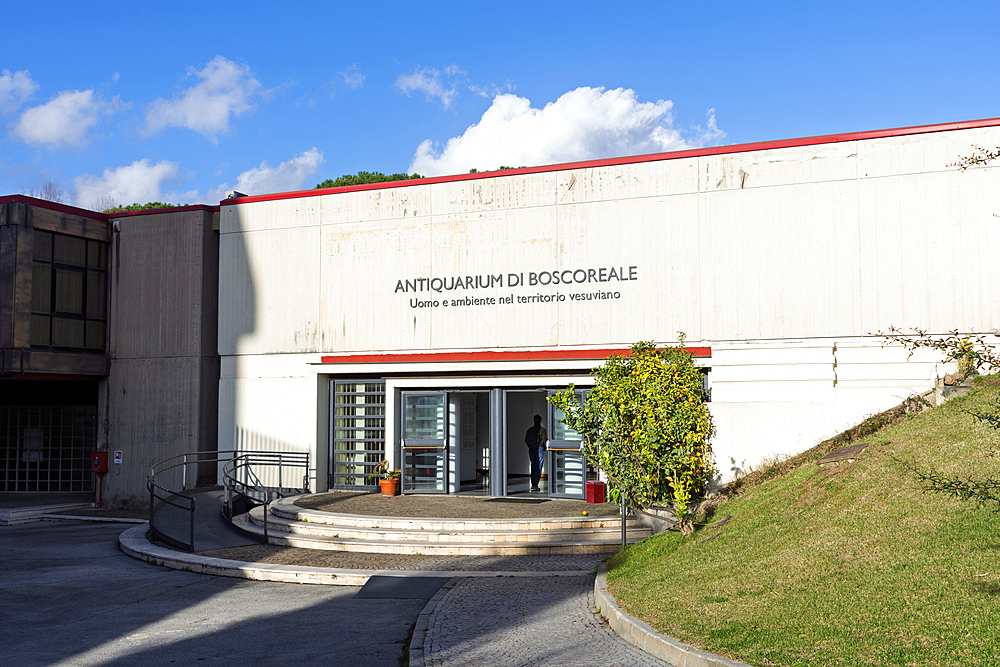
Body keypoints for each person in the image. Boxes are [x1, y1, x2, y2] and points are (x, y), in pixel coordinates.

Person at [524, 414, 547, 493]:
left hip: (531, 449)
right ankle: (535, 485)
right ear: (540, 421)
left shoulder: (530, 430)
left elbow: (526, 440)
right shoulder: (542, 430)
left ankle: (533, 484)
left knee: (533, 466)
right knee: (538, 466)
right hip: (539, 448)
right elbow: (544, 440)